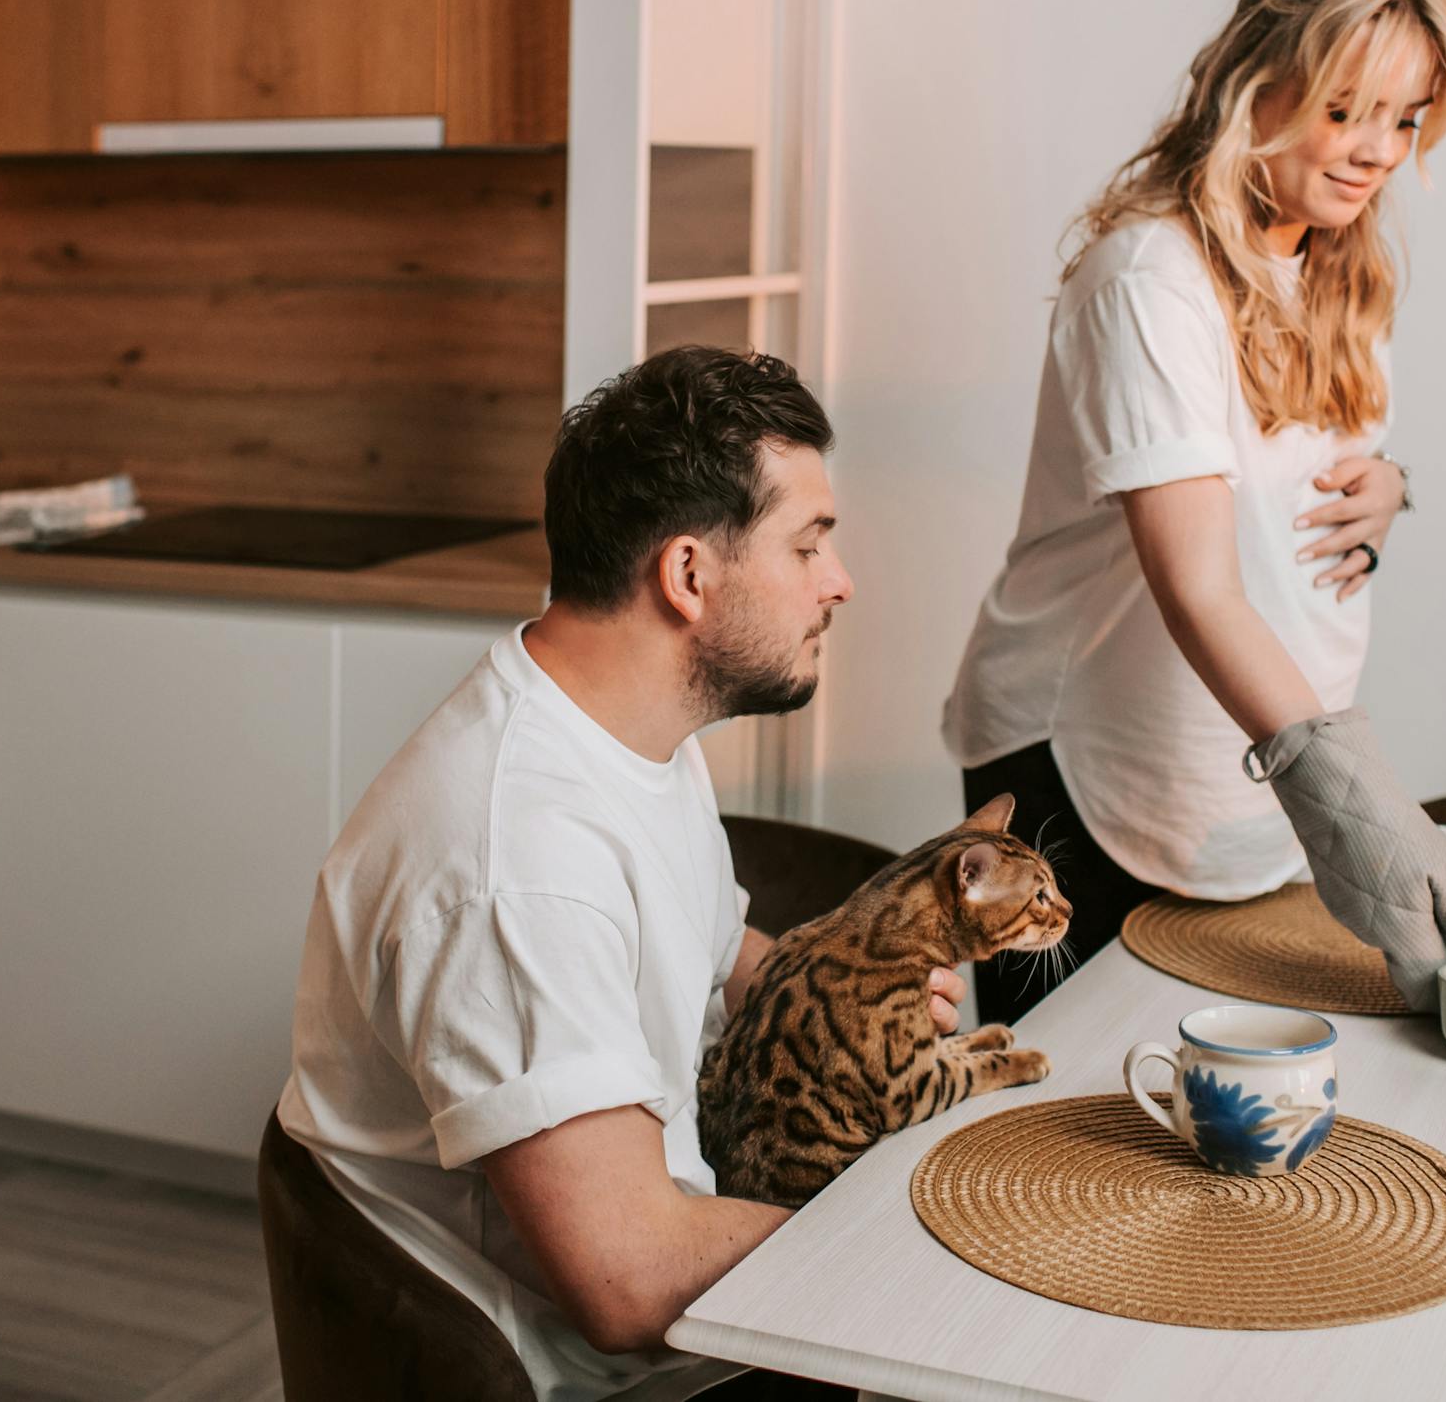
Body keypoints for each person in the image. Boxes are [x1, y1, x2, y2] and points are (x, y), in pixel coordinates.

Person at [277, 346, 959, 1401]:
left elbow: (711, 944)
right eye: (808, 545)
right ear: (689, 575)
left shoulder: (632, 732)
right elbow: (631, 1283)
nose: (840, 582)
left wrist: (846, 999)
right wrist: (905, 1224)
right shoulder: (519, 864)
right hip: (610, 1375)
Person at [942, 0, 1446, 1025]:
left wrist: (1392, 489)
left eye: (1404, 120)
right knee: (1060, 1133)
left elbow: (1278, 482)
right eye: (1347, 108)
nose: (1376, 155)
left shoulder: (1340, 265)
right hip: (1090, 764)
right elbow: (1197, 582)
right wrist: (1359, 804)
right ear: (1261, 79)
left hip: (1248, 774)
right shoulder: (1146, 280)